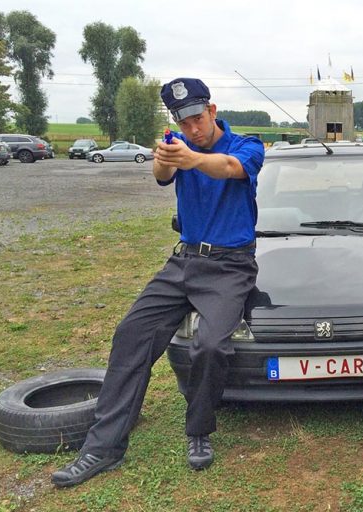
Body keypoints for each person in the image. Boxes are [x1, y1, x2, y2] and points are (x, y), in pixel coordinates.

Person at [52, 78, 265, 487]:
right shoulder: (178, 145)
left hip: (231, 266)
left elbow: (230, 168)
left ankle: (198, 431)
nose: (193, 128)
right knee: (131, 334)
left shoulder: (247, 145)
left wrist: (189, 158)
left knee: (211, 345)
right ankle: (103, 448)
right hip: (184, 260)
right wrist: (166, 158)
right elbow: (161, 173)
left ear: (212, 111)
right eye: (183, 122)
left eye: (198, 118)